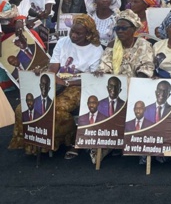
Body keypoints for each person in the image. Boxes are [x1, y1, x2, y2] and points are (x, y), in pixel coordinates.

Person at [9, 15, 103, 157]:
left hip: (79, 86)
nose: (74, 36)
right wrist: (49, 76)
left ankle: (66, 137)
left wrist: (66, 82)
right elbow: (53, 68)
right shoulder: (63, 42)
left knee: (56, 109)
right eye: (72, 31)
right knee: (25, 107)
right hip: (57, 82)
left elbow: (91, 78)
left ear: (88, 34)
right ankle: (34, 144)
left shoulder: (96, 49)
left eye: (79, 33)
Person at [96, 10, 155, 77]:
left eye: (124, 28)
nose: (120, 31)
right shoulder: (112, 45)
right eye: (118, 28)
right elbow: (105, 66)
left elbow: (146, 68)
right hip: (114, 83)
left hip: (137, 82)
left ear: (133, 29)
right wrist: (102, 72)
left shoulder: (143, 44)